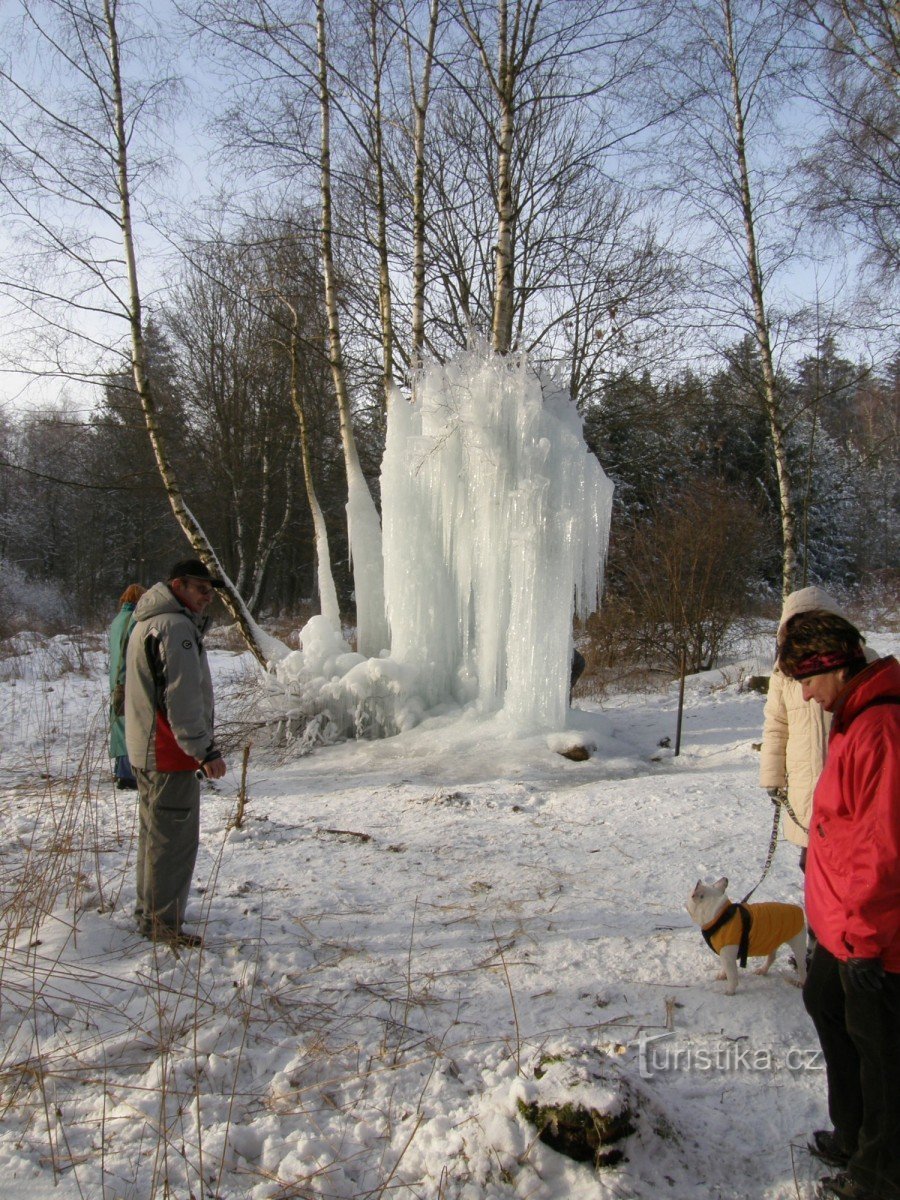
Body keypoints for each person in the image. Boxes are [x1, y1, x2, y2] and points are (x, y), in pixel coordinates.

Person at [778, 611, 900, 1200]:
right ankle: (853, 1133)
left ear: (833, 663)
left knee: (883, 1055)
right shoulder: (853, 719)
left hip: (873, 933)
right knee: (824, 1002)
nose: (805, 693)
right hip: (841, 925)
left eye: (807, 678)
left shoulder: (879, 730)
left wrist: (866, 942)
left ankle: (879, 1175)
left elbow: (883, 850)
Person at [125, 559, 228, 948]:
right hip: (168, 752)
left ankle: (150, 913)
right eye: (201, 589)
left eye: (210, 591)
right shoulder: (175, 627)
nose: (207, 597)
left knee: (155, 835)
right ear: (178, 585)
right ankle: (162, 924)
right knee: (173, 841)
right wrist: (204, 751)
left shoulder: (148, 622)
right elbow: (182, 699)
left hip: (149, 749)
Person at [759, 586, 850, 870]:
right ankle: (815, 912)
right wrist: (772, 776)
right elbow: (776, 726)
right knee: (811, 862)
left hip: (844, 778)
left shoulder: (857, 662)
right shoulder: (782, 674)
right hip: (804, 780)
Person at [108, 583, 145, 789]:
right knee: (128, 725)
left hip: (115, 679)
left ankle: (121, 771)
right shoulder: (135, 621)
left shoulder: (117, 621)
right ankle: (127, 774)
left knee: (119, 724)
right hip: (127, 680)